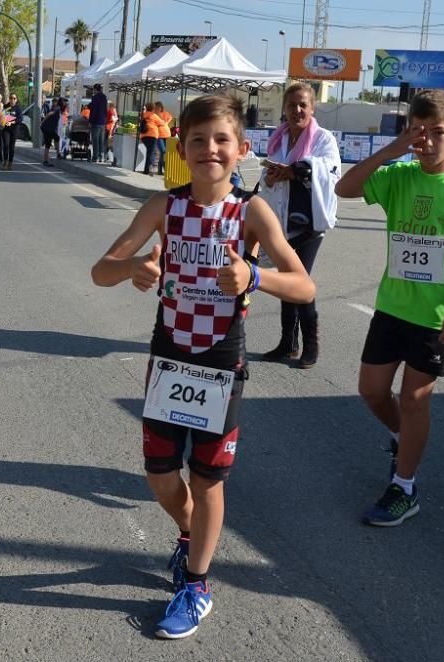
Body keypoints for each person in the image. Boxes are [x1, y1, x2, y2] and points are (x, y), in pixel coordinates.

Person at [91, 94, 315, 639]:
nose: (209, 150)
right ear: (181, 148)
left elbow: (304, 285)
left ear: (241, 150)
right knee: (160, 476)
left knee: (208, 479)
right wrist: (133, 270)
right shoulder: (162, 207)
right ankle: (193, 535)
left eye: (221, 141)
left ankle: (196, 585)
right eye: (198, 140)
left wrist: (254, 278)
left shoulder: (252, 211)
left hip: (219, 360)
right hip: (169, 355)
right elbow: (100, 270)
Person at [335, 89, 444, 527]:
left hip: (436, 314)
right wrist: (391, 149)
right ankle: (401, 438)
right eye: (418, 131)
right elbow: (343, 188)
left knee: (414, 398)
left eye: (437, 132)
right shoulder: (399, 175)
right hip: (392, 306)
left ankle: (404, 487)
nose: (427, 140)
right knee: (371, 390)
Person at [258, 82, 341, 368]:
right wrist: (270, 178)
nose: (298, 110)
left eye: (303, 104)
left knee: (300, 281)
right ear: (284, 108)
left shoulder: (323, 138)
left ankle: (311, 345)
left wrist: (296, 171)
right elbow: (265, 180)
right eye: (292, 105)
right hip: (281, 223)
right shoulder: (277, 140)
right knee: (285, 282)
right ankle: (287, 343)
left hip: (309, 224)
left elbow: (329, 169)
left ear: (312, 107)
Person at [0, 92, 23, 171]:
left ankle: (10, 163)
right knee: (6, 145)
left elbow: (20, 119)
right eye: (11, 98)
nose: (12, 100)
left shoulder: (18, 108)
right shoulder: (6, 107)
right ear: (9, 99)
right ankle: (5, 162)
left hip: (14, 130)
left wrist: (12, 122)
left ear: (16, 100)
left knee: (11, 147)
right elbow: (1, 115)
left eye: (14, 98)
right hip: (6, 130)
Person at [139, 102, 160, 175]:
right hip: (152, 135)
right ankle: (147, 170)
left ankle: (147, 169)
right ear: (153, 108)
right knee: (150, 153)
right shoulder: (153, 115)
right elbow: (161, 123)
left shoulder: (143, 114)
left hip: (144, 136)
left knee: (148, 152)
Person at [89, 83, 108, 163]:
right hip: (103, 121)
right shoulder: (104, 97)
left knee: (95, 140)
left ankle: (95, 157)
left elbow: (94, 110)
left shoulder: (95, 97)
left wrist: (90, 121)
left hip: (96, 121)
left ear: (95, 89)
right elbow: (105, 110)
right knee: (101, 140)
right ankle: (101, 156)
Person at [40, 98, 63, 167]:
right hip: (48, 128)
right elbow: (50, 114)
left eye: (54, 102)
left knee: (48, 144)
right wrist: (42, 121)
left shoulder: (53, 108)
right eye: (53, 102)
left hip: (46, 128)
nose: (53, 103)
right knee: (56, 138)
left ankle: (45, 161)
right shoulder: (57, 108)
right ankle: (58, 154)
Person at [155, 101, 174, 177]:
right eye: (156, 107)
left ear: (161, 107)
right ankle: (165, 169)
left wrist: (166, 122)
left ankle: (160, 170)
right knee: (163, 151)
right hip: (158, 135)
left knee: (166, 153)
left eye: (158, 107)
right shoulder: (154, 115)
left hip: (167, 134)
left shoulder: (165, 113)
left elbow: (170, 117)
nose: (157, 108)